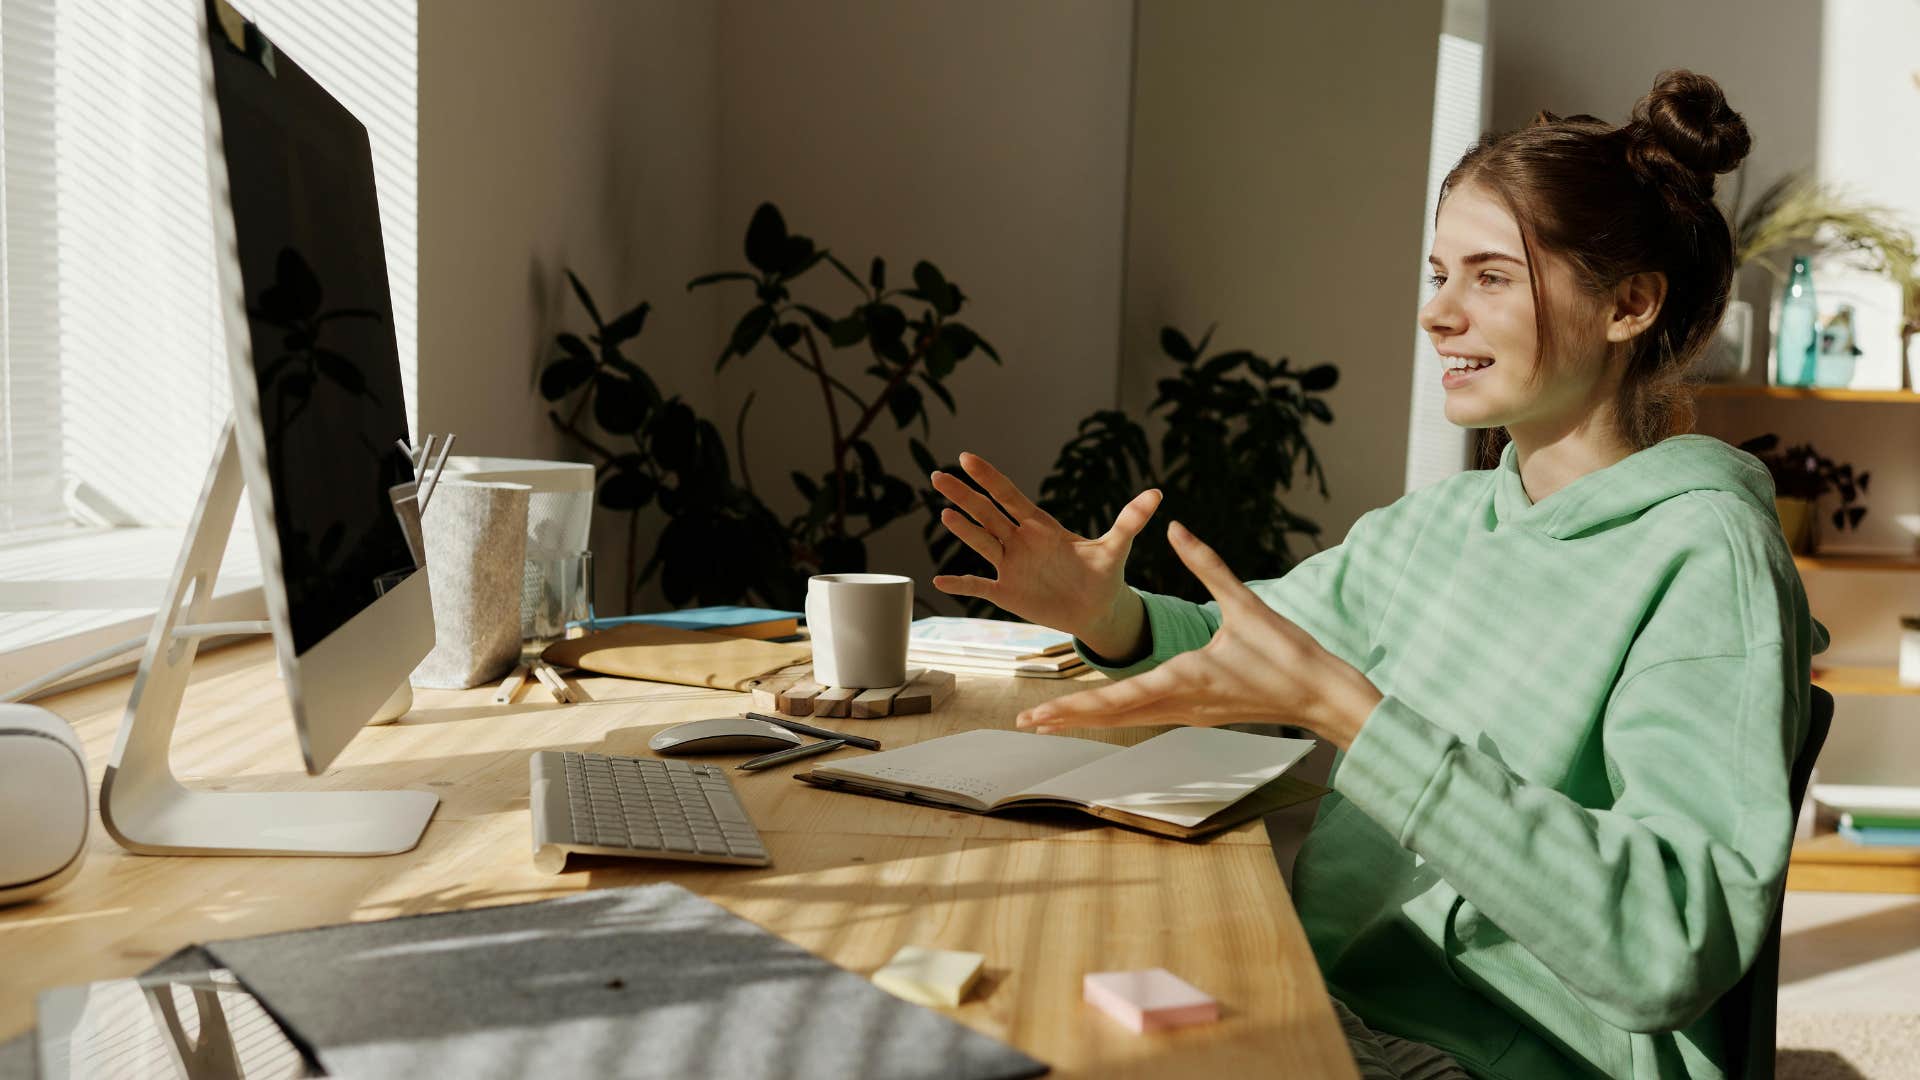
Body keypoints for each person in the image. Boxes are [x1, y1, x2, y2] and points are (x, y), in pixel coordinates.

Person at [929, 69, 1829, 1080]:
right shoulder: (1441, 524)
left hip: (1495, 1060)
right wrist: (1109, 613)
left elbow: (1670, 944)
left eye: (1491, 277)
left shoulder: (1707, 557)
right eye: (1439, 274)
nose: (1437, 314)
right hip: (1337, 1004)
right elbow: (1254, 651)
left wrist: (1354, 717)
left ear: (1628, 304)